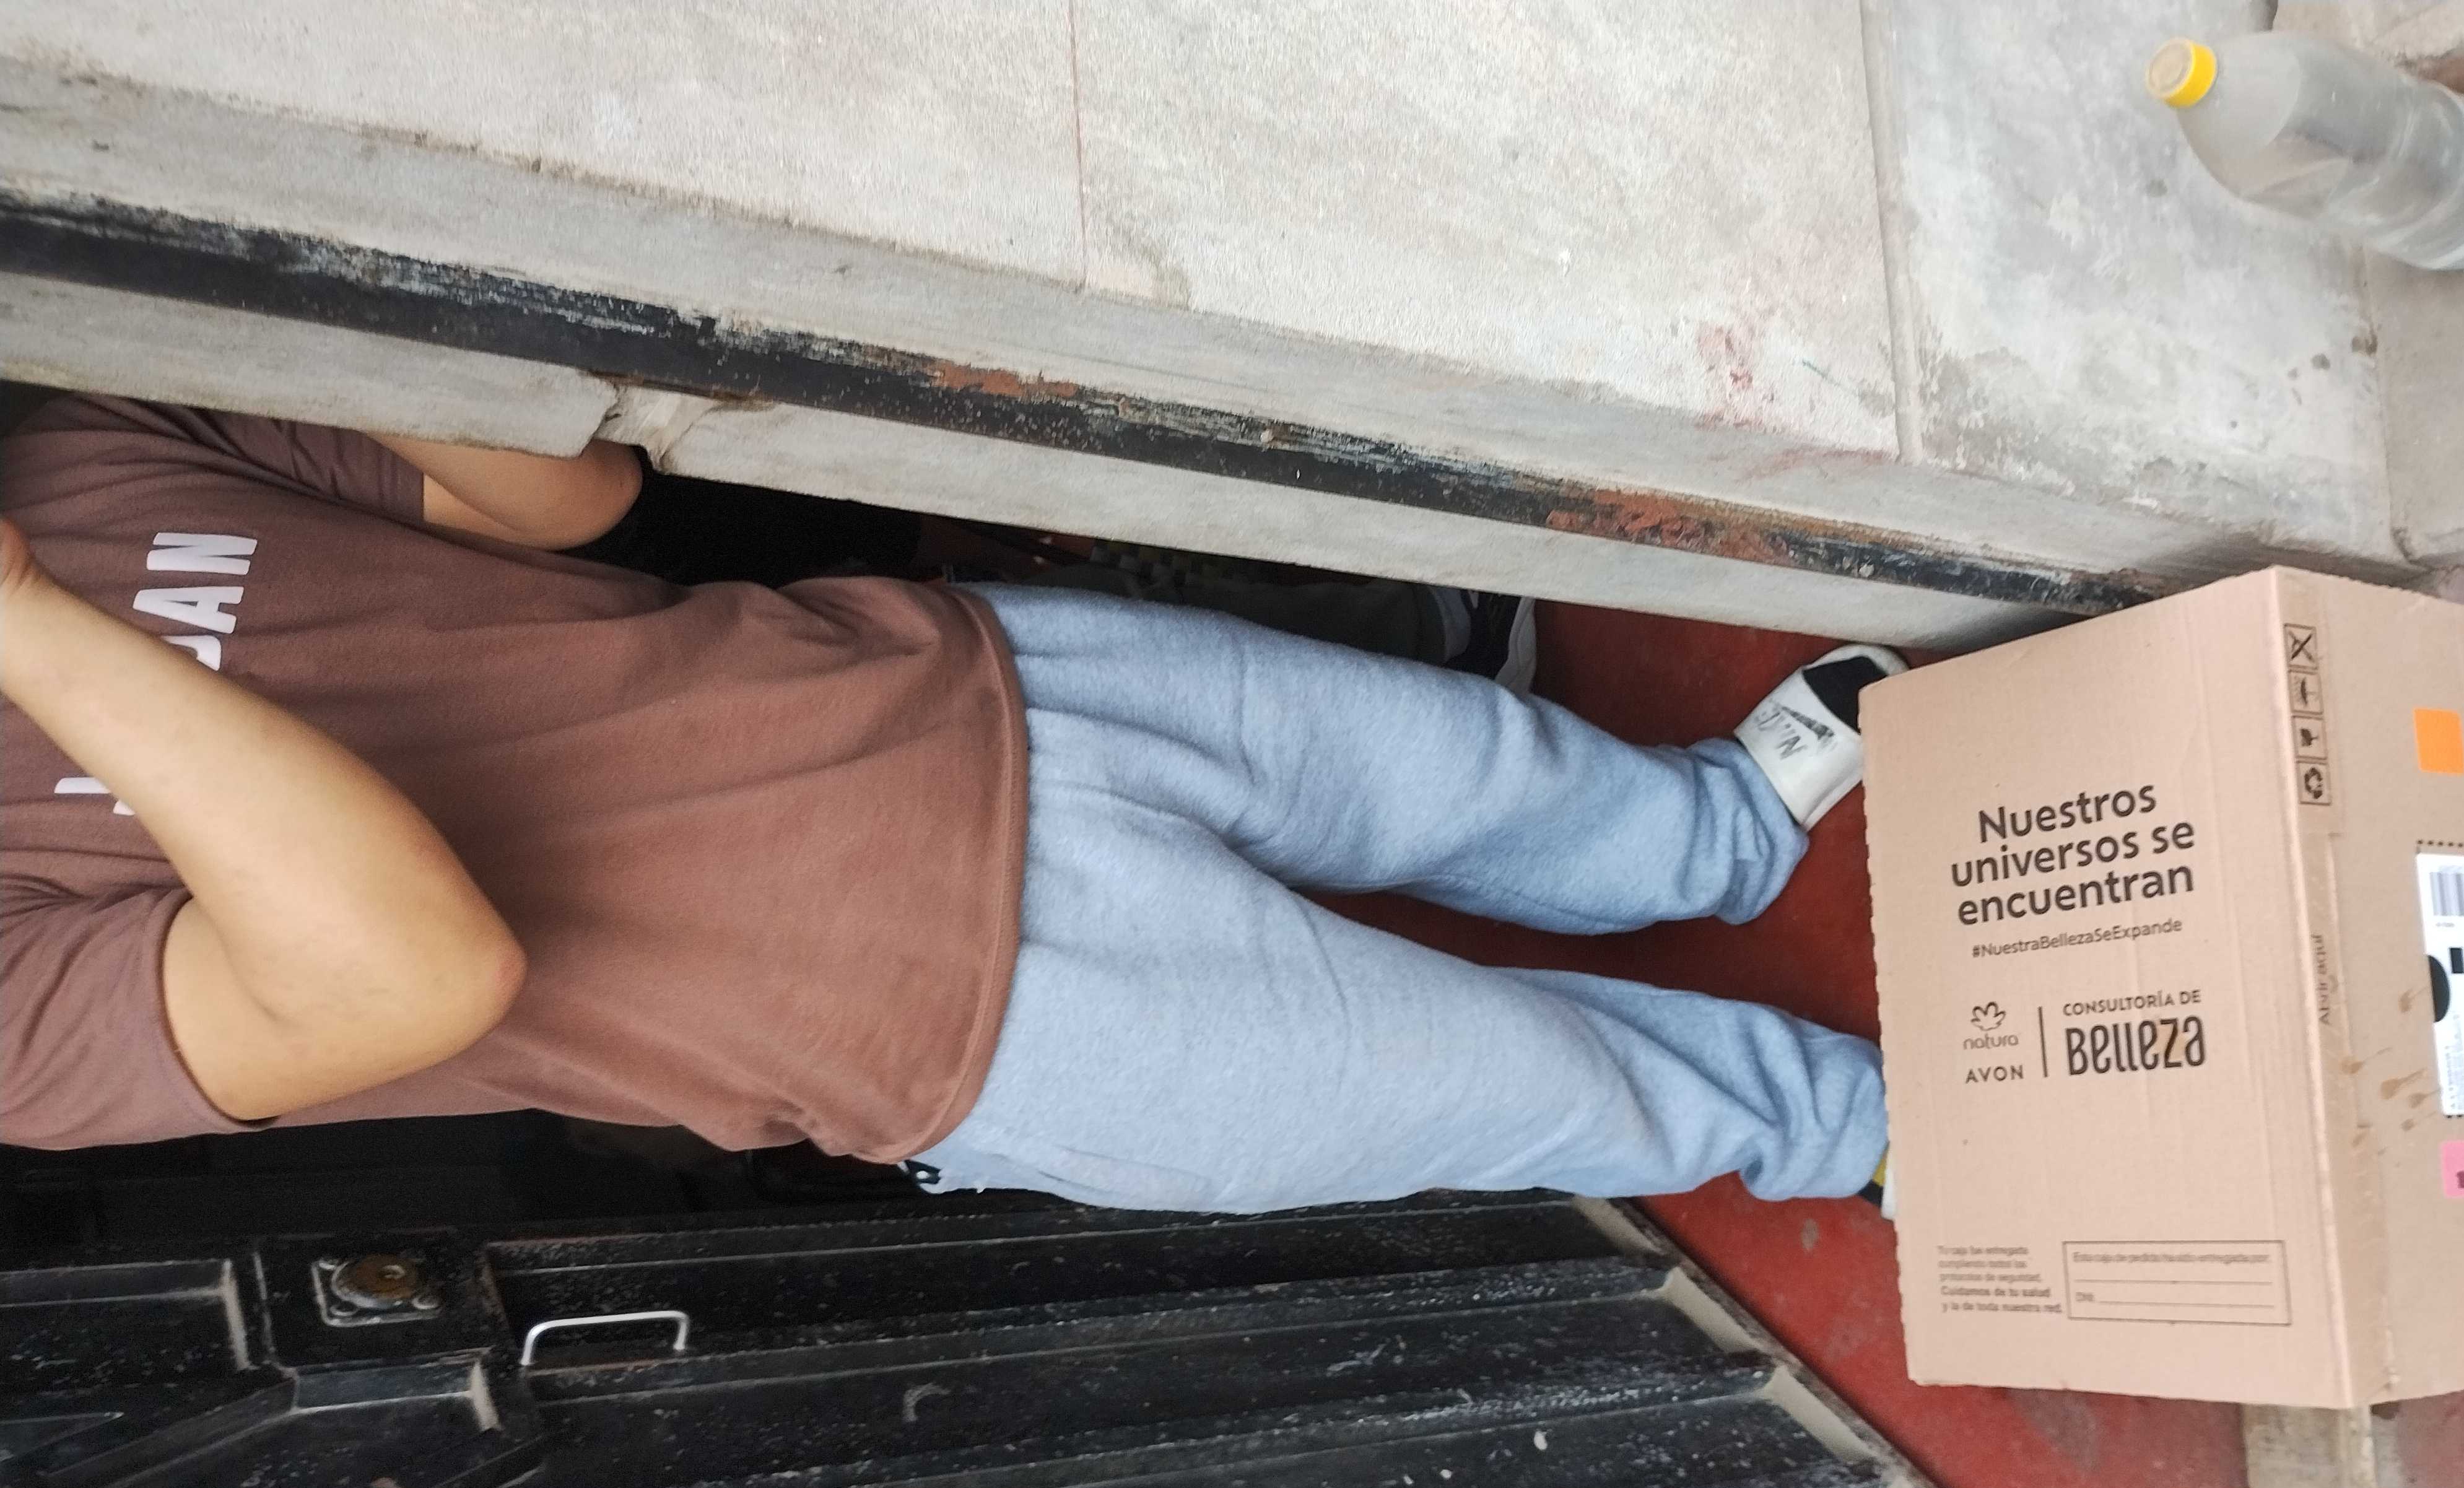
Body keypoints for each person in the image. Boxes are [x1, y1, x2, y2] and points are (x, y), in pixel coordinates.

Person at [0, 396, 1892, 1213]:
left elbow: (566, 503)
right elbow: (412, 970)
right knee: (1544, 1086)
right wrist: (27, 627)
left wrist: (239, 311)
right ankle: (1869, 1135)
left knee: (1477, 774)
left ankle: (1711, 834)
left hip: (955, 688)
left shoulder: (79, 456)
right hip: (951, 1021)